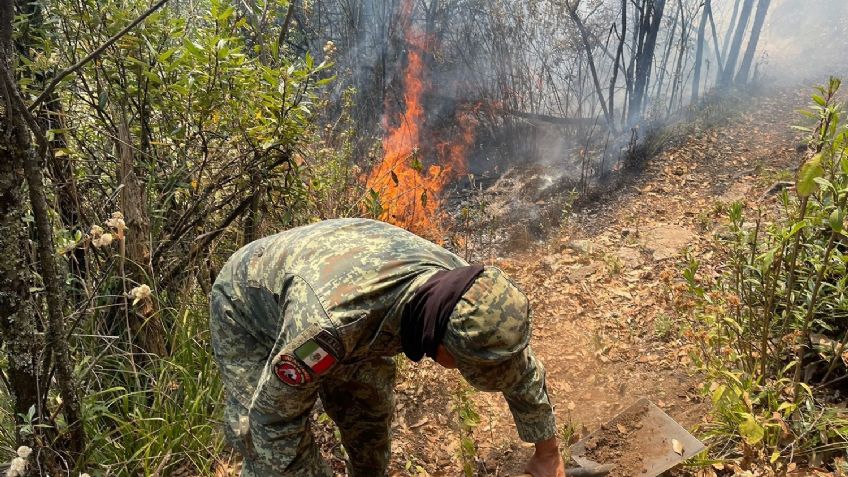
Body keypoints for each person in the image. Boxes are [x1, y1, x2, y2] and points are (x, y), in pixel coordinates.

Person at [210, 218, 565, 477]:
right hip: (249, 303)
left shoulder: (465, 289)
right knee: (258, 441)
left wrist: (548, 453)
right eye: (464, 365)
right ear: (440, 345)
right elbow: (275, 423)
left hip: (340, 278)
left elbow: (514, 362)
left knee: (368, 411)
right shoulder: (330, 326)